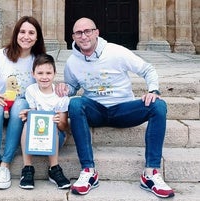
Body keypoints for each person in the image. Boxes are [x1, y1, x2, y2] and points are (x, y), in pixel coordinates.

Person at [55, 17, 175, 198]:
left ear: (96, 32)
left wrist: (153, 90)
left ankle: (151, 173)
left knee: (158, 105)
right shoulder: (72, 62)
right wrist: (65, 89)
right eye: (79, 33)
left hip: (123, 109)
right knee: (75, 102)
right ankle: (88, 171)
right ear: (73, 37)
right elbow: (73, 88)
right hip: (95, 111)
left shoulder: (116, 52)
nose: (84, 36)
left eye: (88, 31)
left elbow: (147, 69)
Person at [0, 16, 46, 190]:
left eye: (31, 33)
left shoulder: (39, 60)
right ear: (16, 34)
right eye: (22, 32)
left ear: (37, 37)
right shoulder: (0, 55)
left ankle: (5, 165)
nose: (26, 36)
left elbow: (45, 89)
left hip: (20, 111)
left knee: (20, 104)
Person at [18, 53, 71, 190]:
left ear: (54, 74)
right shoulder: (31, 90)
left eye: (48, 72)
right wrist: (28, 114)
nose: (44, 77)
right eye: (40, 73)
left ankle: (54, 168)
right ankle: (27, 168)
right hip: (36, 139)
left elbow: (64, 126)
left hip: (57, 136)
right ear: (33, 74)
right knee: (28, 123)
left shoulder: (61, 96)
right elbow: (34, 113)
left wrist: (58, 120)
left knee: (51, 124)